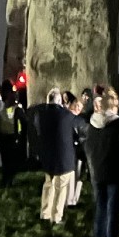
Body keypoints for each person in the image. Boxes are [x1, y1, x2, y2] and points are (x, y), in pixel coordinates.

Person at [86, 88, 119, 237]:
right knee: (112, 208)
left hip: (97, 172)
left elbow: (89, 146)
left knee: (100, 206)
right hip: (114, 171)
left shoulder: (92, 123)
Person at [35, 87, 78, 226]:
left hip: (47, 155)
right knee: (61, 186)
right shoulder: (66, 115)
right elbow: (78, 128)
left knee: (48, 184)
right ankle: (56, 216)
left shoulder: (40, 113)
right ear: (59, 101)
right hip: (63, 157)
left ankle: (45, 213)